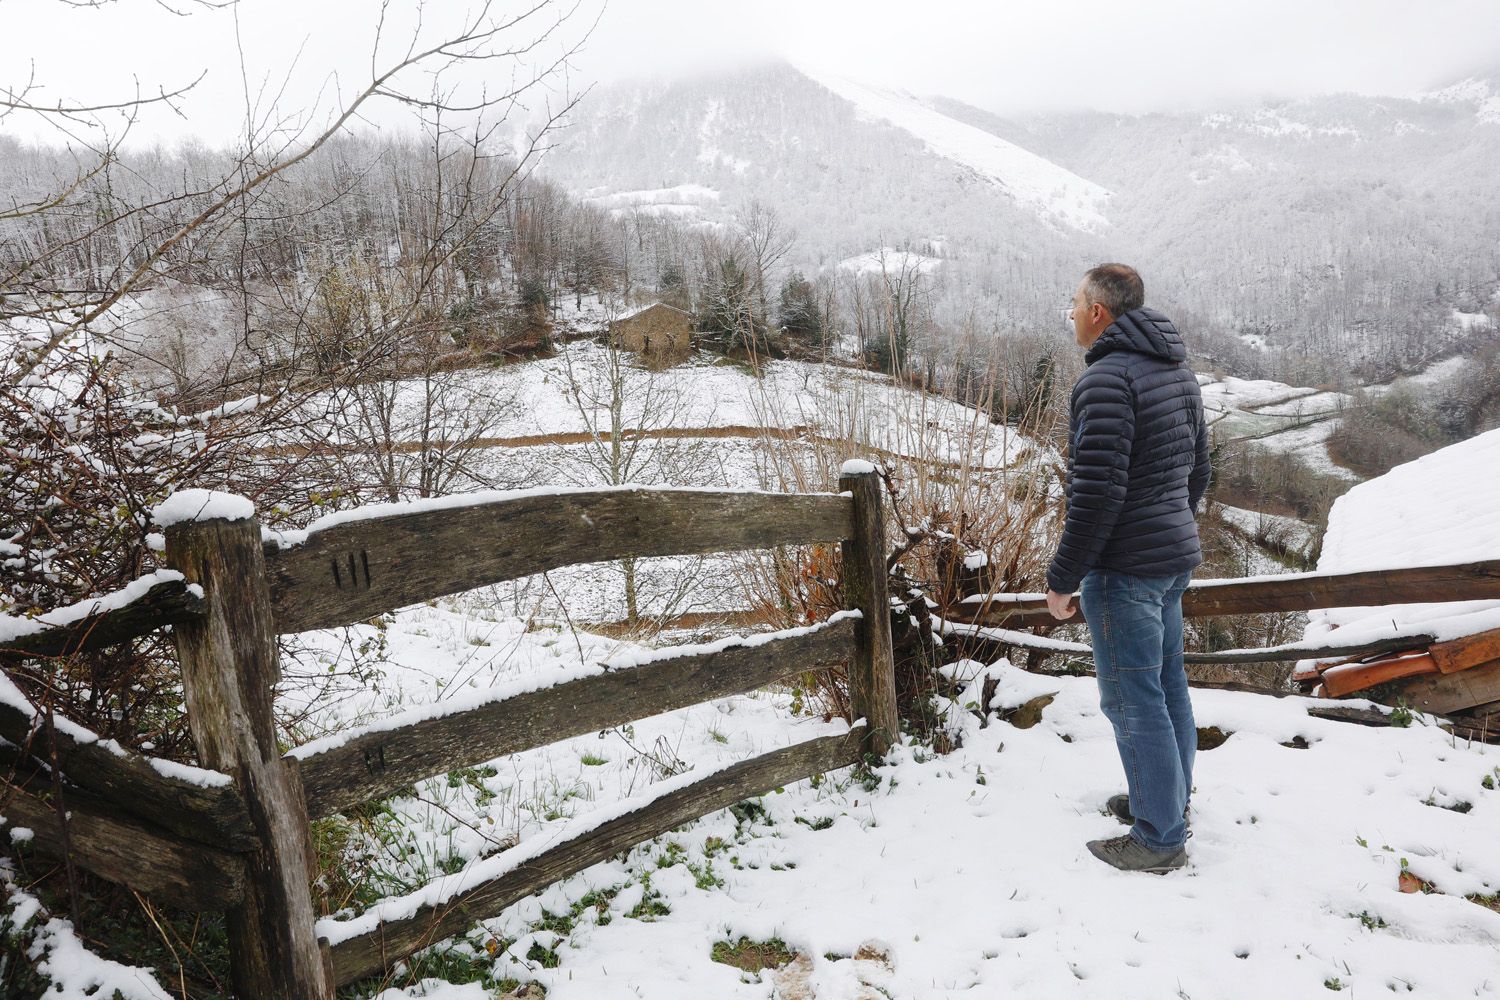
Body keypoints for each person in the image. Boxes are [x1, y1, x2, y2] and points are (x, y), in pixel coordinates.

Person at [1044, 263, 1211, 874]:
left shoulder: (1106, 382)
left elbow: (1095, 497)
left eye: (1075, 301)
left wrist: (1063, 577)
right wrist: (1167, 525)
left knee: (1132, 700)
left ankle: (1159, 837)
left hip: (1124, 571)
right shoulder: (1177, 372)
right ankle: (1165, 800)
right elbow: (1199, 473)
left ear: (1099, 313)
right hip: (1169, 561)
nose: (1070, 312)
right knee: (1166, 688)